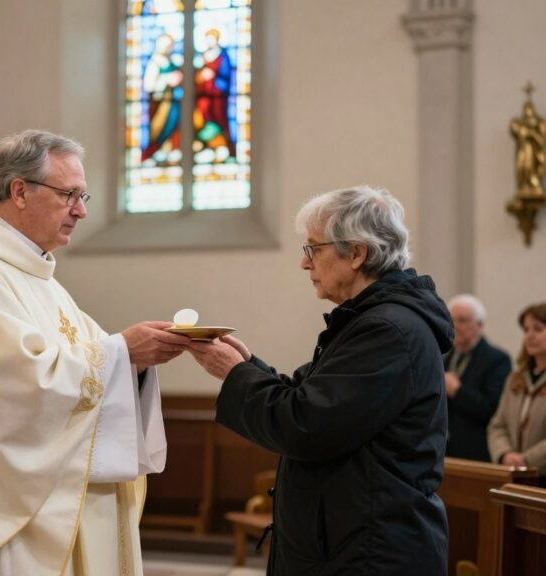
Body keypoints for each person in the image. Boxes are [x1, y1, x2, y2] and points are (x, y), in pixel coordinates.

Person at [0, 130, 191, 576]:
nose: (80, 210)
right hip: (4, 517)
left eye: (84, 196)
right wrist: (122, 351)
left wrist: (135, 360)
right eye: (69, 195)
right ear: (19, 191)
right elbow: (16, 389)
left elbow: (88, 355)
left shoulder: (38, 277)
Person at [188, 186, 452, 575]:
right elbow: (306, 395)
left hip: (369, 554)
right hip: (351, 545)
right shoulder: (369, 321)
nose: (304, 262)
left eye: (314, 248)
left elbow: (306, 424)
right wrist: (248, 365)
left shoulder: (387, 330)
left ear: (357, 253)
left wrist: (234, 373)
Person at [444, 294, 511, 461]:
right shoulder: (444, 357)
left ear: (479, 325)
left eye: (462, 320)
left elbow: (492, 409)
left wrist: (457, 391)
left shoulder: (497, 360)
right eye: (451, 320)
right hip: (443, 449)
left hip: (475, 452)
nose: (455, 326)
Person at [488, 303, 546, 484]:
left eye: (538, 329)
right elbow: (497, 425)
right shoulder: (516, 379)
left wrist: (526, 459)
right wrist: (505, 454)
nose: (529, 335)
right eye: (526, 329)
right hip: (512, 476)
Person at [193, 28, 234, 164]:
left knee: (217, 119)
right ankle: (206, 146)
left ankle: (220, 146)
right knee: (202, 117)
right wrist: (200, 76)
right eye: (207, 39)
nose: (210, 42)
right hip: (204, 95)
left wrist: (213, 76)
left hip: (218, 96)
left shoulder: (223, 55)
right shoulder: (203, 55)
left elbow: (226, 75)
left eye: (212, 38)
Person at [142, 33, 184, 164]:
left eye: (169, 46)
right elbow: (149, 86)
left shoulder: (173, 61)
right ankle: (155, 151)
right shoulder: (154, 62)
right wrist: (167, 79)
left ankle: (169, 150)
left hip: (173, 102)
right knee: (159, 128)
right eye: (164, 45)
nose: (166, 48)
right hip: (159, 103)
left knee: (174, 126)